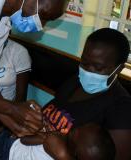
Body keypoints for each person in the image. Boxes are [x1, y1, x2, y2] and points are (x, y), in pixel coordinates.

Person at [0, 0, 68, 137]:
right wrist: (11, 109)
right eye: (44, 16)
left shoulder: (4, 24)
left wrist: (13, 123)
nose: (42, 25)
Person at [41, 28, 131, 160]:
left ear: (119, 69)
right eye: (84, 63)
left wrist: (64, 156)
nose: (88, 71)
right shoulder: (76, 80)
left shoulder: (121, 108)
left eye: (98, 67)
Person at [0, 113, 116, 160]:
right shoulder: (68, 148)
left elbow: (24, 140)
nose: (75, 128)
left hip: (11, 151)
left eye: (77, 131)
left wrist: (43, 133)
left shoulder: (56, 140)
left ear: (75, 151)